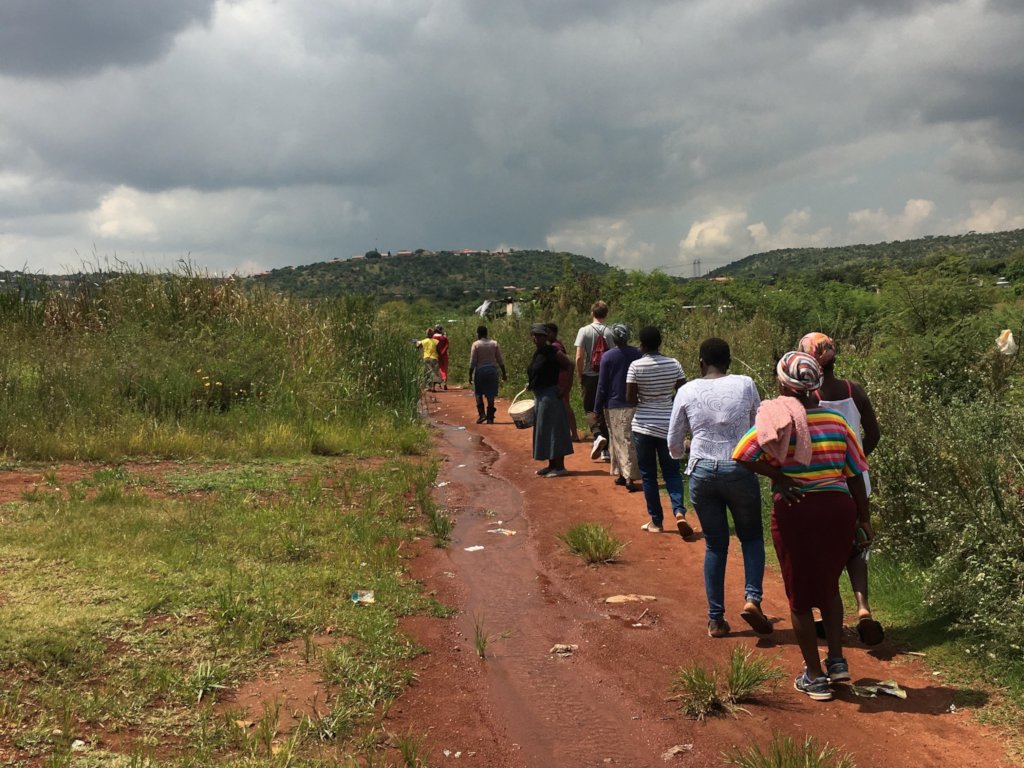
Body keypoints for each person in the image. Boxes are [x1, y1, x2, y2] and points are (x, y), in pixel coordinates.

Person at [733, 351, 870, 702]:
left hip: (797, 509)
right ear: (816, 384)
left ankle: (814, 676)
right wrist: (863, 518)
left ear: (783, 383)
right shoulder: (838, 423)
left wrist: (778, 476)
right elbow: (856, 474)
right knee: (828, 587)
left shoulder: (778, 418)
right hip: (839, 509)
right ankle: (837, 662)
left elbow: (743, 454)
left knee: (799, 597)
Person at [668, 338, 770, 638]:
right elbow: (758, 426)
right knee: (751, 538)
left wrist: (683, 451)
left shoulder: (687, 390)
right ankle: (752, 599)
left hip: (701, 470)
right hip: (739, 467)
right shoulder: (746, 383)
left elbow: (674, 440)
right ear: (730, 361)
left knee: (715, 544)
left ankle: (716, 619)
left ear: (701, 363)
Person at [798, 331, 884, 646]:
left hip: (823, 485)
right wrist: (856, 460)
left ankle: (826, 616)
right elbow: (873, 433)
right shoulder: (853, 390)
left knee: (827, 552)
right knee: (858, 546)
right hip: (857, 482)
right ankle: (863, 609)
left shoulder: (809, 399)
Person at [626, 326, 692, 535]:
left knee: (649, 475)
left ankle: (656, 521)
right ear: (660, 342)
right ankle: (679, 512)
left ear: (642, 345)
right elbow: (684, 391)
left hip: (643, 426)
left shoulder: (636, 366)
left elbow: (630, 399)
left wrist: (646, 400)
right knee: (672, 472)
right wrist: (667, 402)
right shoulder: (674, 364)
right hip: (668, 425)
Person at [595, 323, 642, 492]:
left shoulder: (608, 357)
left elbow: (602, 384)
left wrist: (597, 406)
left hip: (614, 404)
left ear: (613, 338)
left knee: (619, 440)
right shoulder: (637, 353)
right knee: (627, 439)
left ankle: (628, 476)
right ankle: (621, 474)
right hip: (634, 403)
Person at [528, 323, 575, 477]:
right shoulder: (539, 353)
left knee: (554, 430)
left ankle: (560, 467)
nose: (537, 338)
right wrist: (531, 383)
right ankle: (551, 465)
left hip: (550, 396)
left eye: (540, 335)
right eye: (535, 335)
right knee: (546, 430)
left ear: (546, 336)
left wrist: (566, 387)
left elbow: (569, 364)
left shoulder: (553, 351)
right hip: (541, 396)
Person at [574, 301, 614, 461]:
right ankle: (606, 450)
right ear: (606, 314)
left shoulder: (584, 331)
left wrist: (580, 375)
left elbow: (579, 357)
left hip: (589, 376)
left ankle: (597, 435)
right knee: (605, 409)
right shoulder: (610, 332)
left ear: (592, 313)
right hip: (606, 377)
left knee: (590, 409)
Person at [545, 322, 580, 441]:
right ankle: (569, 433)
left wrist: (566, 384)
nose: (546, 334)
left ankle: (574, 434)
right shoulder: (556, 344)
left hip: (561, 380)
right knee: (563, 406)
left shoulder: (555, 347)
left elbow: (569, 364)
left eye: (548, 332)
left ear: (554, 333)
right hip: (561, 379)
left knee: (565, 406)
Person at [469, 325, 507, 424]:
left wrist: (470, 374)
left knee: (478, 393)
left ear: (478, 334)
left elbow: (473, 361)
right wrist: (504, 373)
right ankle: (490, 417)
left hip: (480, 371)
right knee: (490, 394)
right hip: (492, 371)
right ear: (486, 333)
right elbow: (500, 359)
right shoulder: (494, 344)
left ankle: (482, 415)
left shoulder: (476, 344)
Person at [416, 328, 441, 392]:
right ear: (432, 334)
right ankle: (433, 387)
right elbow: (438, 350)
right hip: (434, 358)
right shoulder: (436, 341)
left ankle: (428, 386)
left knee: (427, 373)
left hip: (426, 358)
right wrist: (440, 356)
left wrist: (417, 343)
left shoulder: (424, 341)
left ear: (426, 334)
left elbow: (418, 346)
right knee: (434, 372)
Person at [432, 325, 450, 390]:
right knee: (444, 369)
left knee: (437, 369)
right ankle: (444, 381)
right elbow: (447, 346)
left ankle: (438, 384)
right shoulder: (444, 338)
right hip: (444, 355)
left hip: (436, 356)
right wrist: (442, 353)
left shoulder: (433, 338)